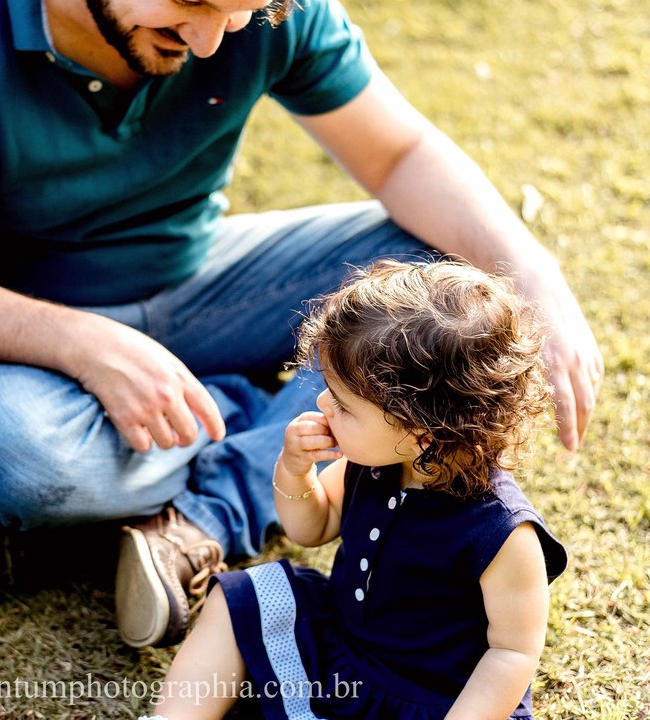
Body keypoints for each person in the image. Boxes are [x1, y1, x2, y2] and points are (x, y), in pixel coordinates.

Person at [0, 0, 601, 649]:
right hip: (19, 339)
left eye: (240, 14)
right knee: (10, 458)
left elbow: (400, 154)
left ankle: (217, 501)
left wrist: (536, 275)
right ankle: (259, 408)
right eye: (187, 3)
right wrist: (87, 346)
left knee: (450, 278)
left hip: (202, 280)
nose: (212, 42)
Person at [142, 259, 569, 720]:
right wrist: (295, 471)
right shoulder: (377, 464)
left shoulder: (502, 534)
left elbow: (512, 655)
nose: (323, 404)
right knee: (243, 596)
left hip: (429, 699)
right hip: (341, 654)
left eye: (343, 404)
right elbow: (313, 526)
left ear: (421, 433)